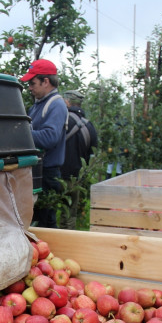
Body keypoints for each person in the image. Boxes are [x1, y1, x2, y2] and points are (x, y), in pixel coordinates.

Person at [19, 58, 68, 228]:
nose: (30, 88)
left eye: (33, 83)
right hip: (36, 172)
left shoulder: (56, 105)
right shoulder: (37, 106)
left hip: (48, 174)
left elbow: (50, 137)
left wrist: (20, 134)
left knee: (46, 223)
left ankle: (50, 254)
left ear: (45, 81)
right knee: (34, 220)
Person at [59, 90, 98, 230]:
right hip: (76, 178)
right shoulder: (89, 126)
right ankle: (68, 241)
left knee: (48, 210)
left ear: (67, 102)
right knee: (69, 214)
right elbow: (93, 153)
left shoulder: (61, 120)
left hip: (56, 174)